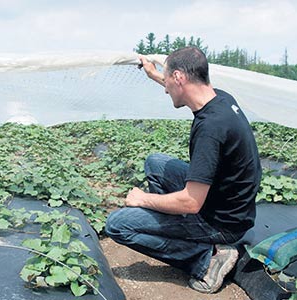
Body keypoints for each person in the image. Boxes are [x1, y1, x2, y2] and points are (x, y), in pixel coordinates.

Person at [105, 47, 262, 293]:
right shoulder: (221, 98)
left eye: (167, 81)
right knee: (155, 163)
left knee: (117, 225)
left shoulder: (210, 129)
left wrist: (144, 199)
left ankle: (205, 259)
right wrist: (155, 75)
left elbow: (191, 203)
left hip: (223, 224)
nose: (166, 89)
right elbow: (183, 90)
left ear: (179, 77)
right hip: (231, 204)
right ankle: (176, 226)